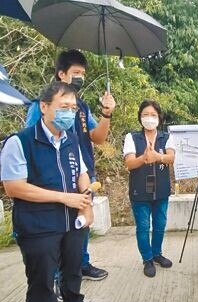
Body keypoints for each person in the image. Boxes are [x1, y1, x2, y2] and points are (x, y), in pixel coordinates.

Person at [0, 82, 106, 302]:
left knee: (72, 267)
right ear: (44, 107)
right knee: (42, 280)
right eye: (63, 107)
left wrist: (86, 201)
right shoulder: (21, 141)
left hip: (72, 222)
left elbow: (81, 172)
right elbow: (14, 187)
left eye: (73, 107)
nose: (69, 113)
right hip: (38, 226)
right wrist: (64, 198)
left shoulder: (70, 139)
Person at [25, 49, 115, 282]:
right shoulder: (41, 106)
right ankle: (57, 276)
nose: (80, 78)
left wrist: (107, 113)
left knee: (81, 221)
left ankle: (80, 264)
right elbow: (31, 141)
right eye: (76, 72)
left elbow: (98, 137)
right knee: (56, 227)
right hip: (53, 178)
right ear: (61, 74)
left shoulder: (82, 107)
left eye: (83, 74)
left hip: (82, 173)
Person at [123, 100, 175, 278]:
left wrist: (157, 156)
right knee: (143, 227)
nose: (149, 118)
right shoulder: (132, 137)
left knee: (160, 225)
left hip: (161, 190)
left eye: (153, 115)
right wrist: (144, 158)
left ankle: (157, 254)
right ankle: (147, 259)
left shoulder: (166, 137)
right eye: (145, 115)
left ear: (159, 118)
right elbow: (129, 163)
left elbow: (171, 157)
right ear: (140, 117)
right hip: (139, 191)